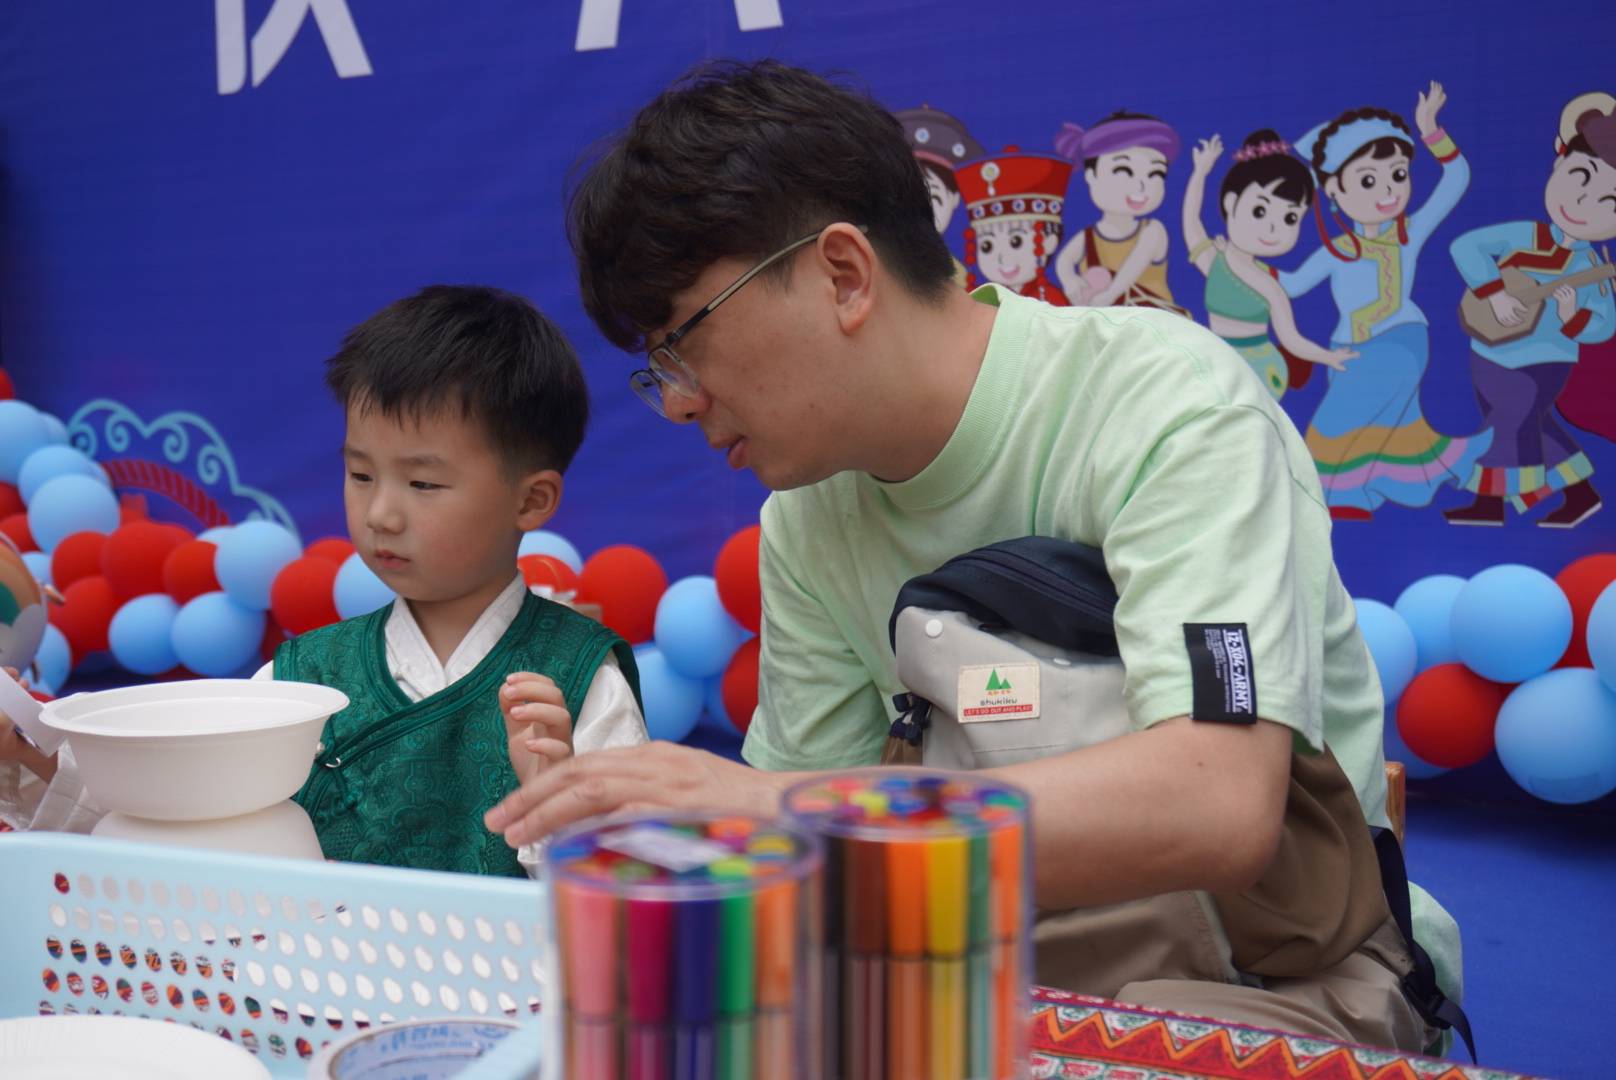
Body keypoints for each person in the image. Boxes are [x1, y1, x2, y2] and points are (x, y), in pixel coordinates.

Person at [492, 60, 1461, 1051]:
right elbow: (805, 884)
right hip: (981, 977)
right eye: (655, 367)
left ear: (842, 275)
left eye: (682, 341)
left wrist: (767, 807)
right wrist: (630, 847)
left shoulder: (1168, 406)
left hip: (1274, 972)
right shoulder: (806, 518)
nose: (678, 399)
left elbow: (1215, 803)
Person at [1, 286, 648, 876]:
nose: (381, 513)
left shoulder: (578, 683)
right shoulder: (301, 676)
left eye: (423, 483)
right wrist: (28, 752)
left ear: (531, 500)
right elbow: (178, 823)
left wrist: (557, 806)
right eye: (361, 474)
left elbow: (626, 903)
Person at [1281, 85, 1490, 521]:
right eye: (1368, 180)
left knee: (1332, 426)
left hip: (1399, 342)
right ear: (1333, 190)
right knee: (1384, 434)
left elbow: (1456, 180)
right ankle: (1352, 497)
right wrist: (1242, 263)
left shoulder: (1408, 232)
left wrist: (1431, 132)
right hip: (1344, 351)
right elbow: (1293, 285)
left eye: (1398, 174)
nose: (1388, 191)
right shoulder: (1337, 250)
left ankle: (1326, 501)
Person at [1444, 91, 1616, 528]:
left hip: (1545, 359)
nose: (1585, 203)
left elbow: (1604, 325)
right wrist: (1495, 292)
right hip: (1490, 348)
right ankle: (1581, 493)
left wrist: (1573, 315)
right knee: (1534, 426)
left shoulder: (1593, 268)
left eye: (1609, 201)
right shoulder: (1525, 235)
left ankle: (1489, 504)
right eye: (1580, 177)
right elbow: (1466, 247)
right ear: (1558, 166)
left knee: (1508, 424)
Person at [1181, 130, 1357, 399]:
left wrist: (1328, 357)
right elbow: (1192, 224)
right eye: (1260, 211)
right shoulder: (1217, 262)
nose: (1273, 228)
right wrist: (1200, 172)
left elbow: (1291, 339)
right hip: (1218, 361)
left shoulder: (1268, 283)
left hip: (1258, 367)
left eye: (1290, 218)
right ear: (1230, 203)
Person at [1051, 111, 1189, 315]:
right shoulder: (1088, 237)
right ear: (1091, 175)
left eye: (1155, 173)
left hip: (1153, 323)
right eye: (1124, 171)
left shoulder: (1153, 231)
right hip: (1106, 325)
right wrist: (1070, 280)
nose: (1141, 185)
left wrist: (1108, 296)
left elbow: (1131, 270)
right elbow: (1064, 261)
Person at [956, 145, 1073, 304]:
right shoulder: (981, 302)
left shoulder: (1051, 301)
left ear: (1049, 242)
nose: (1002, 258)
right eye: (987, 246)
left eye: (1016, 241)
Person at [896, 105, 984, 288]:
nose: (921, 210)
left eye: (934, 199)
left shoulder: (960, 279)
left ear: (954, 198)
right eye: (908, 199)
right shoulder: (882, 268)